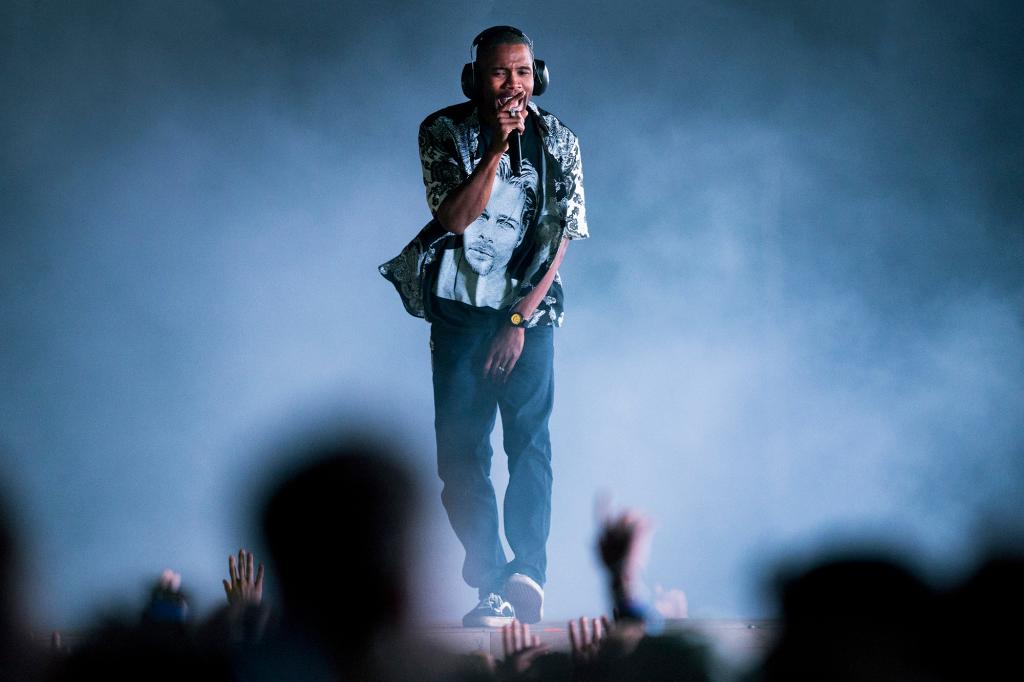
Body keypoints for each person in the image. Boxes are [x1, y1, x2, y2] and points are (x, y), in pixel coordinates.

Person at [380, 25, 588, 627]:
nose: (513, 86)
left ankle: (528, 574)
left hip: (530, 317)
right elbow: (454, 217)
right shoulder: (443, 132)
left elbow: (560, 242)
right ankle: (492, 582)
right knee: (462, 456)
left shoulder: (562, 141)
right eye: (500, 73)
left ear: (538, 75)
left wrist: (520, 320)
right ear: (475, 78)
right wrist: (496, 149)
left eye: (523, 72)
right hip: (460, 318)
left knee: (529, 445)